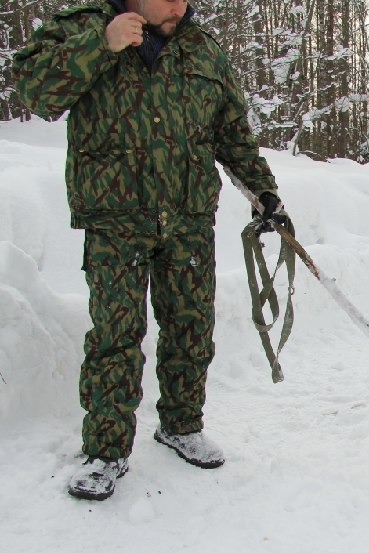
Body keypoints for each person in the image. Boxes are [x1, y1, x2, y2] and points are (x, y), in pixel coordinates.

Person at [13, 0, 284, 500]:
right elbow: (34, 91)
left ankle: (181, 425)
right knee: (116, 334)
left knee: (190, 323)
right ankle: (106, 451)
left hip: (188, 214)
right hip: (116, 217)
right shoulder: (85, 27)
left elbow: (231, 131)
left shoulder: (201, 48)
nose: (180, 7)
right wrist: (103, 43)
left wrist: (263, 192)